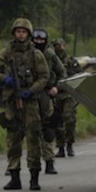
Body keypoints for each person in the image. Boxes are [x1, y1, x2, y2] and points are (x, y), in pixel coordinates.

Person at [0, 18, 49, 190]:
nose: (21, 34)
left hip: (30, 102)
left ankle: (34, 177)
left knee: (33, 139)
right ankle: (14, 175)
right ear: (14, 33)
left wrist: (31, 90)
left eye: (24, 32)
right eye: (18, 31)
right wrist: (5, 79)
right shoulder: (6, 53)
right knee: (13, 139)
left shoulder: (35, 54)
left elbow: (44, 77)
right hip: (12, 102)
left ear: (28, 34)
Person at [31, 28, 65, 174]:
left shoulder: (50, 56)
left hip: (46, 94)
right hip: (29, 95)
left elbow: (62, 72)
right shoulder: (27, 54)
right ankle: (16, 164)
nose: (38, 42)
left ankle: (49, 162)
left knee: (47, 129)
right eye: (36, 39)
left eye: (41, 40)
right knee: (25, 130)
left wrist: (57, 87)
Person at [52, 38, 81, 158]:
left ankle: (69, 144)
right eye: (56, 46)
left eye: (60, 45)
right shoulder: (51, 61)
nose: (59, 48)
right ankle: (60, 146)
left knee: (69, 118)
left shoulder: (71, 61)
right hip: (55, 93)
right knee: (57, 121)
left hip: (69, 93)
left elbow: (79, 74)